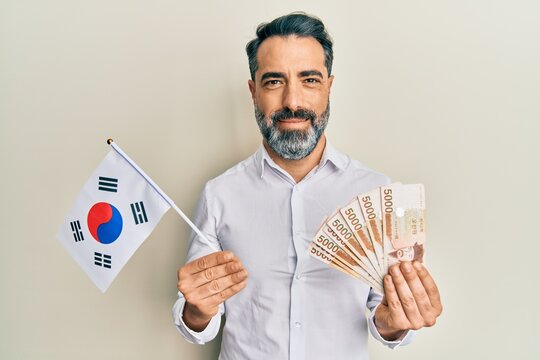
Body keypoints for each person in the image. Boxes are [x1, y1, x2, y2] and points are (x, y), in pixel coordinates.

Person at [172, 12, 442, 360]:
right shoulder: (219, 193)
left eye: (309, 80)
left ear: (329, 86)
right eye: (273, 82)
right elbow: (198, 325)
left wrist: (395, 320)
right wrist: (197, 311)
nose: (292, 102)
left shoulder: (377, 192)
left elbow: (385, 320)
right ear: (253, 92)